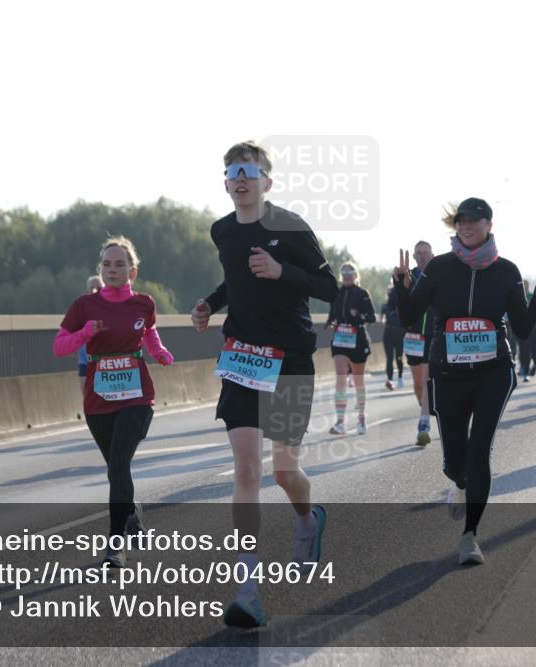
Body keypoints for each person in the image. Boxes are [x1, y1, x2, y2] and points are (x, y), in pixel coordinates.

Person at [191, 141, 336, 627]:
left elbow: (329, 287)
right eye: (232, 171)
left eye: (249, 171)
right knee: (247, 470)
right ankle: (247, 589)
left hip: (290, 359)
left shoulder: (290, 227)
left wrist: (281, 271)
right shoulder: (223, 231)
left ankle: (306, 518)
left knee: (283, 472)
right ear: (225, 181)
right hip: (243, 359)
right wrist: (211, 304)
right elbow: (235, 281)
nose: (240, 178)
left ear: (266, 182)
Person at [394, 197, 536, 565]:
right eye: (460, 221)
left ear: (489, 224)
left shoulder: (506, 271)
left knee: (480, 448)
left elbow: (523, 328)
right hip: (448, 374)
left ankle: (470, 535)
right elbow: (408, 317)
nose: (466, 226)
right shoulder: (438, 267)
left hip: (493, 374)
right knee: (455, 461)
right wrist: (403, 286)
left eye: (474, 220)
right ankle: (459, 483)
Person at [54, 237, 174, 568]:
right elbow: (59, 346)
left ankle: (115, 545)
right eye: (107, 264)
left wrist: (158, 352)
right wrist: (84, 334)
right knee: (115, 469)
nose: (112, 270)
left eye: (120, 264)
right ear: (100, 269)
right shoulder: (84, 305)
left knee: (119, 465)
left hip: (137, 395)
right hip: (98, 397)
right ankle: (130, 510)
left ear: (131, 271)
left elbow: (149, 332)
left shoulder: (144, 303)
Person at [327, 262, 376, 435]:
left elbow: (372, 317)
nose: (347, 275)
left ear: (356, 275)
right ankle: (340, 422)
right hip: (340, 340)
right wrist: (330, 323)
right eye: (344, 272)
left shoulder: (362, 294)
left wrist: (359, 316)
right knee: (340, 379)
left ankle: (361, 418)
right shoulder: (338, 293)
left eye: (350, 272)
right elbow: (332, 313)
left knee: (358, 381)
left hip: (358, 341)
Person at [404, 241, 436, 446]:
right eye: (419, 253)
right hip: (414, 337)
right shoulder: (409, 277)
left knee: (425, 379)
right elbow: (395, 305)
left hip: (433, 335)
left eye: (425, 252)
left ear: (432, 255)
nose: (422, 256)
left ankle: (424, 423)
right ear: (414, 257)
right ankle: (423, 409)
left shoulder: (439, 273)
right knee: (417, 383)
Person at [78, 275, 104, 392]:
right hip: (84, 359)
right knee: (85, 391)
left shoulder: (107, 306)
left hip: (102, 358)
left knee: (102, 391)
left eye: (98, 288)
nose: (94, 290)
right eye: (91, 287)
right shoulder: (82, 306)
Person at [381, 286, 405, 390]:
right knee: (389, 358)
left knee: (399, 357)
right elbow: (380, 319)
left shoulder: (401, 306)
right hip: (388, 334)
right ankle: (389, 379)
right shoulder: (385, 306)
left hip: (400, 333)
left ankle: (400, 377)